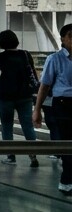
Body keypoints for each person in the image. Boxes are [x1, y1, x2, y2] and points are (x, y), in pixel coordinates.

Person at [0, 30, 39, 167]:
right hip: (24, 95)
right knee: (28, 126)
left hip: (5, 95)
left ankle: (11, 157)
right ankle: (33, 156)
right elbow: (33, 73)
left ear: (1, 42)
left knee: (6, 126)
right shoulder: (25, 54)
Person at [34, 24, 72, 194]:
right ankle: (66, 179)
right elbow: (45, 86)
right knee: (67, 143)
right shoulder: (55, 59)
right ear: (63, 39)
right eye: (70, 36)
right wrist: (37, 110)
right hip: (63, 104)